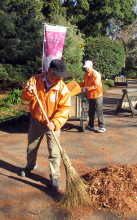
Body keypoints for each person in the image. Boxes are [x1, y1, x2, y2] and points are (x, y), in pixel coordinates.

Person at [20, 59, 71, 191]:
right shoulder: (35, 80)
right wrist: (30, 91)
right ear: (49, 71)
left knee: (54, 152)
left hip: (53, 124)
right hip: (36, 121)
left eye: (61, 77)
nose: (59, 79)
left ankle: (54, 176)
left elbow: (64, 109)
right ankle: (30, 166)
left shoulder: (62, 89)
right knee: (31, 147)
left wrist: (55, 123)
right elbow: (24, 97)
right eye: (57, 75)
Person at [78, 60, 106, 133]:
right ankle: (91, 125)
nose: (86, 69)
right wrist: (78, 84)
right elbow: (85, 83)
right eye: (85, 67)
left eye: (88, 67)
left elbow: (96, 86)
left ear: (91, 66)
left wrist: (86, 88)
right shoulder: (86, 75)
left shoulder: (96, 74)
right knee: (91, 111)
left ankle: (102, 127)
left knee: (99, 111)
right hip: (90, 95)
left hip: (97, 95)